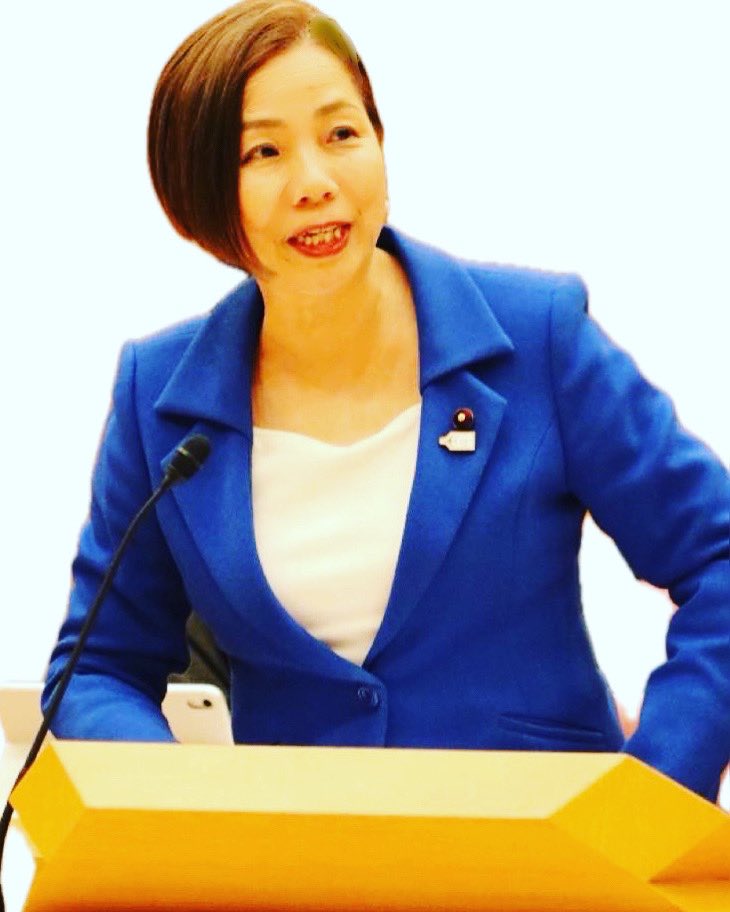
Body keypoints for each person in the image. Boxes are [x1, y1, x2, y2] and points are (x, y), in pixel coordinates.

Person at [43, 0, 729, 804]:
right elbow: (95, 668)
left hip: (544, 851)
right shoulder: (159, 398)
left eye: (341, 133)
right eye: (264, 151)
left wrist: (655, 792)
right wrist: (177, 806)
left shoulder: (535, 339)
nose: (315, 182)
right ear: (199, 189)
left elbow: (717, 558)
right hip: (299, 856)